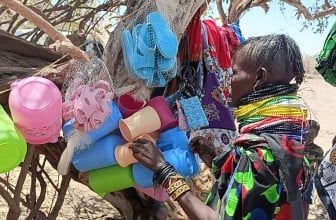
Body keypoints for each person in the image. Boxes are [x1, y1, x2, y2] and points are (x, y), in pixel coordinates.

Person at [130, 34, 309, 220]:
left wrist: (162, 168)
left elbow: (213, 217)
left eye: (234, 73)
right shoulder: (294, 146)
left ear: (260, 77)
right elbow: (258, 195)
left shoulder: (260, 155)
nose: (228, 80)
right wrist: (217, 159)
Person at [302, 120, 324, 220]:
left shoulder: (318, 150)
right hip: (295, 177)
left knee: (306, 202)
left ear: (316, 135)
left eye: (311, 135)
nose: (308, 137)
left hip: (308, 179)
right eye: (307, 134)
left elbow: (319, 167)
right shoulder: (296, 144)